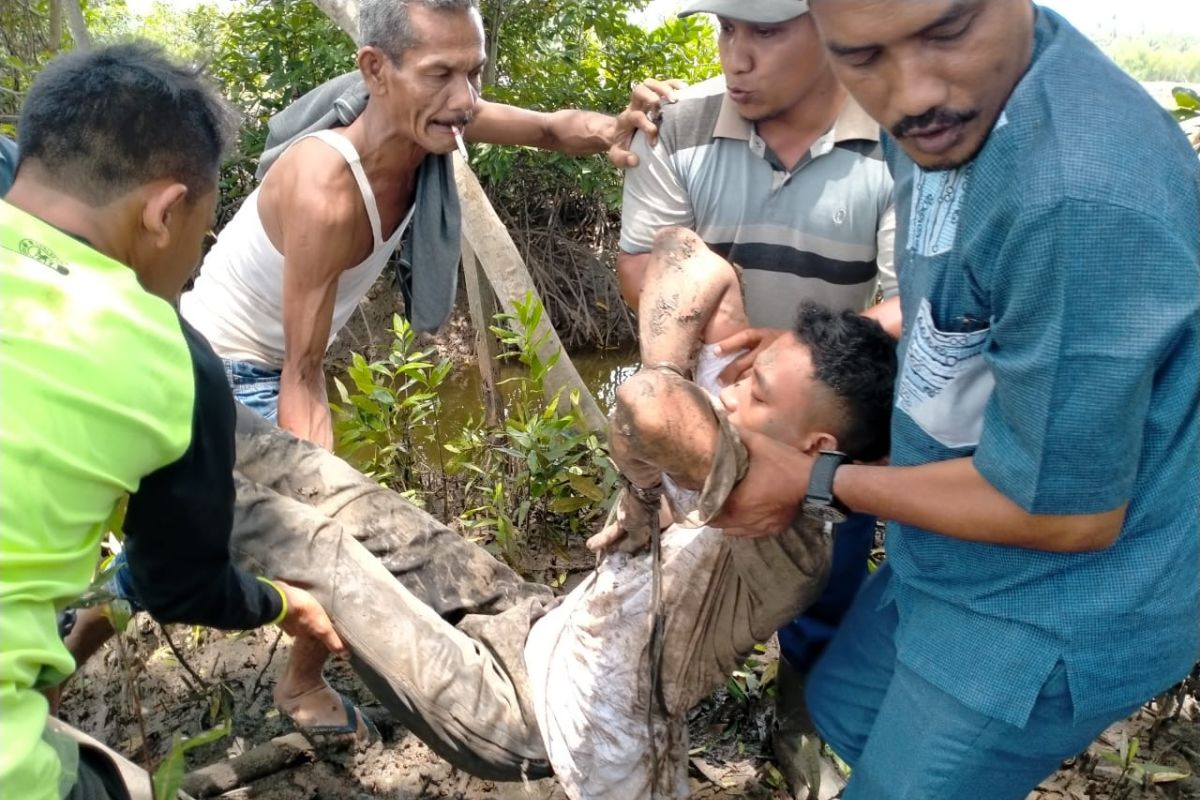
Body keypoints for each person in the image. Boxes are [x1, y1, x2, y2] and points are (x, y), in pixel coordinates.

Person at [73, 0, 679, 744]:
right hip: (225, 374)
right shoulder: (327, 185)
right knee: (316, 544)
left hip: (276, 364)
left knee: (198, 555)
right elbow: (300, 369)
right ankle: (94, 663)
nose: (465, 99)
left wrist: (620, 126)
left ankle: (285, 678)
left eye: (473, 73)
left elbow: (555, 128)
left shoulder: (436, 118)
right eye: (441, 75)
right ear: (375, 71)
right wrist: (328, 505)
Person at [205, 229, 895, 796]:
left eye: (761, 391)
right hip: (532, 625)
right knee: (339, 489)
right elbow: (687, 254)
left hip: (523, 716)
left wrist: (644, 478)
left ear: (817, 448)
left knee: (317, 546)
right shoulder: (744, 426)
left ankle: (154, 471)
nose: (737, 393)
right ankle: (173, 376)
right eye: (746, 378)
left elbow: (649, 406)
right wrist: (666, 434)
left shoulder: (791, 544)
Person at [712, 2, 1200, 799]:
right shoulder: (944, 127)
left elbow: (1068, 515)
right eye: (862, 55)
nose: (912, 95)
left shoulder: (1080, 198)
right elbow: (967, 297)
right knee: (840, 712)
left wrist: (814, 482)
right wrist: (824, 346)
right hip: (939, 560)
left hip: (1042, 611)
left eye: (948, 32)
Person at [0, 43, 343, 800]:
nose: (194, 261)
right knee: (123, 783)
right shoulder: (172, 360)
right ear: (162, 212)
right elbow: (180, 585)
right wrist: (286, 602)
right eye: (200, 232)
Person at [615, 0, 895, 786]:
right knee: (686, 544)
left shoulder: (895, 136)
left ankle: (800, 707)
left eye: (766, 31)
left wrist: (794, 349)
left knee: (829, 562)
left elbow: (917, 304)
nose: (738, 55)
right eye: (726, 29)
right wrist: (719, 297)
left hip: (829, 404)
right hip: (711, 394)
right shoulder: (680, 123)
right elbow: (640, 262)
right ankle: (666, 692)